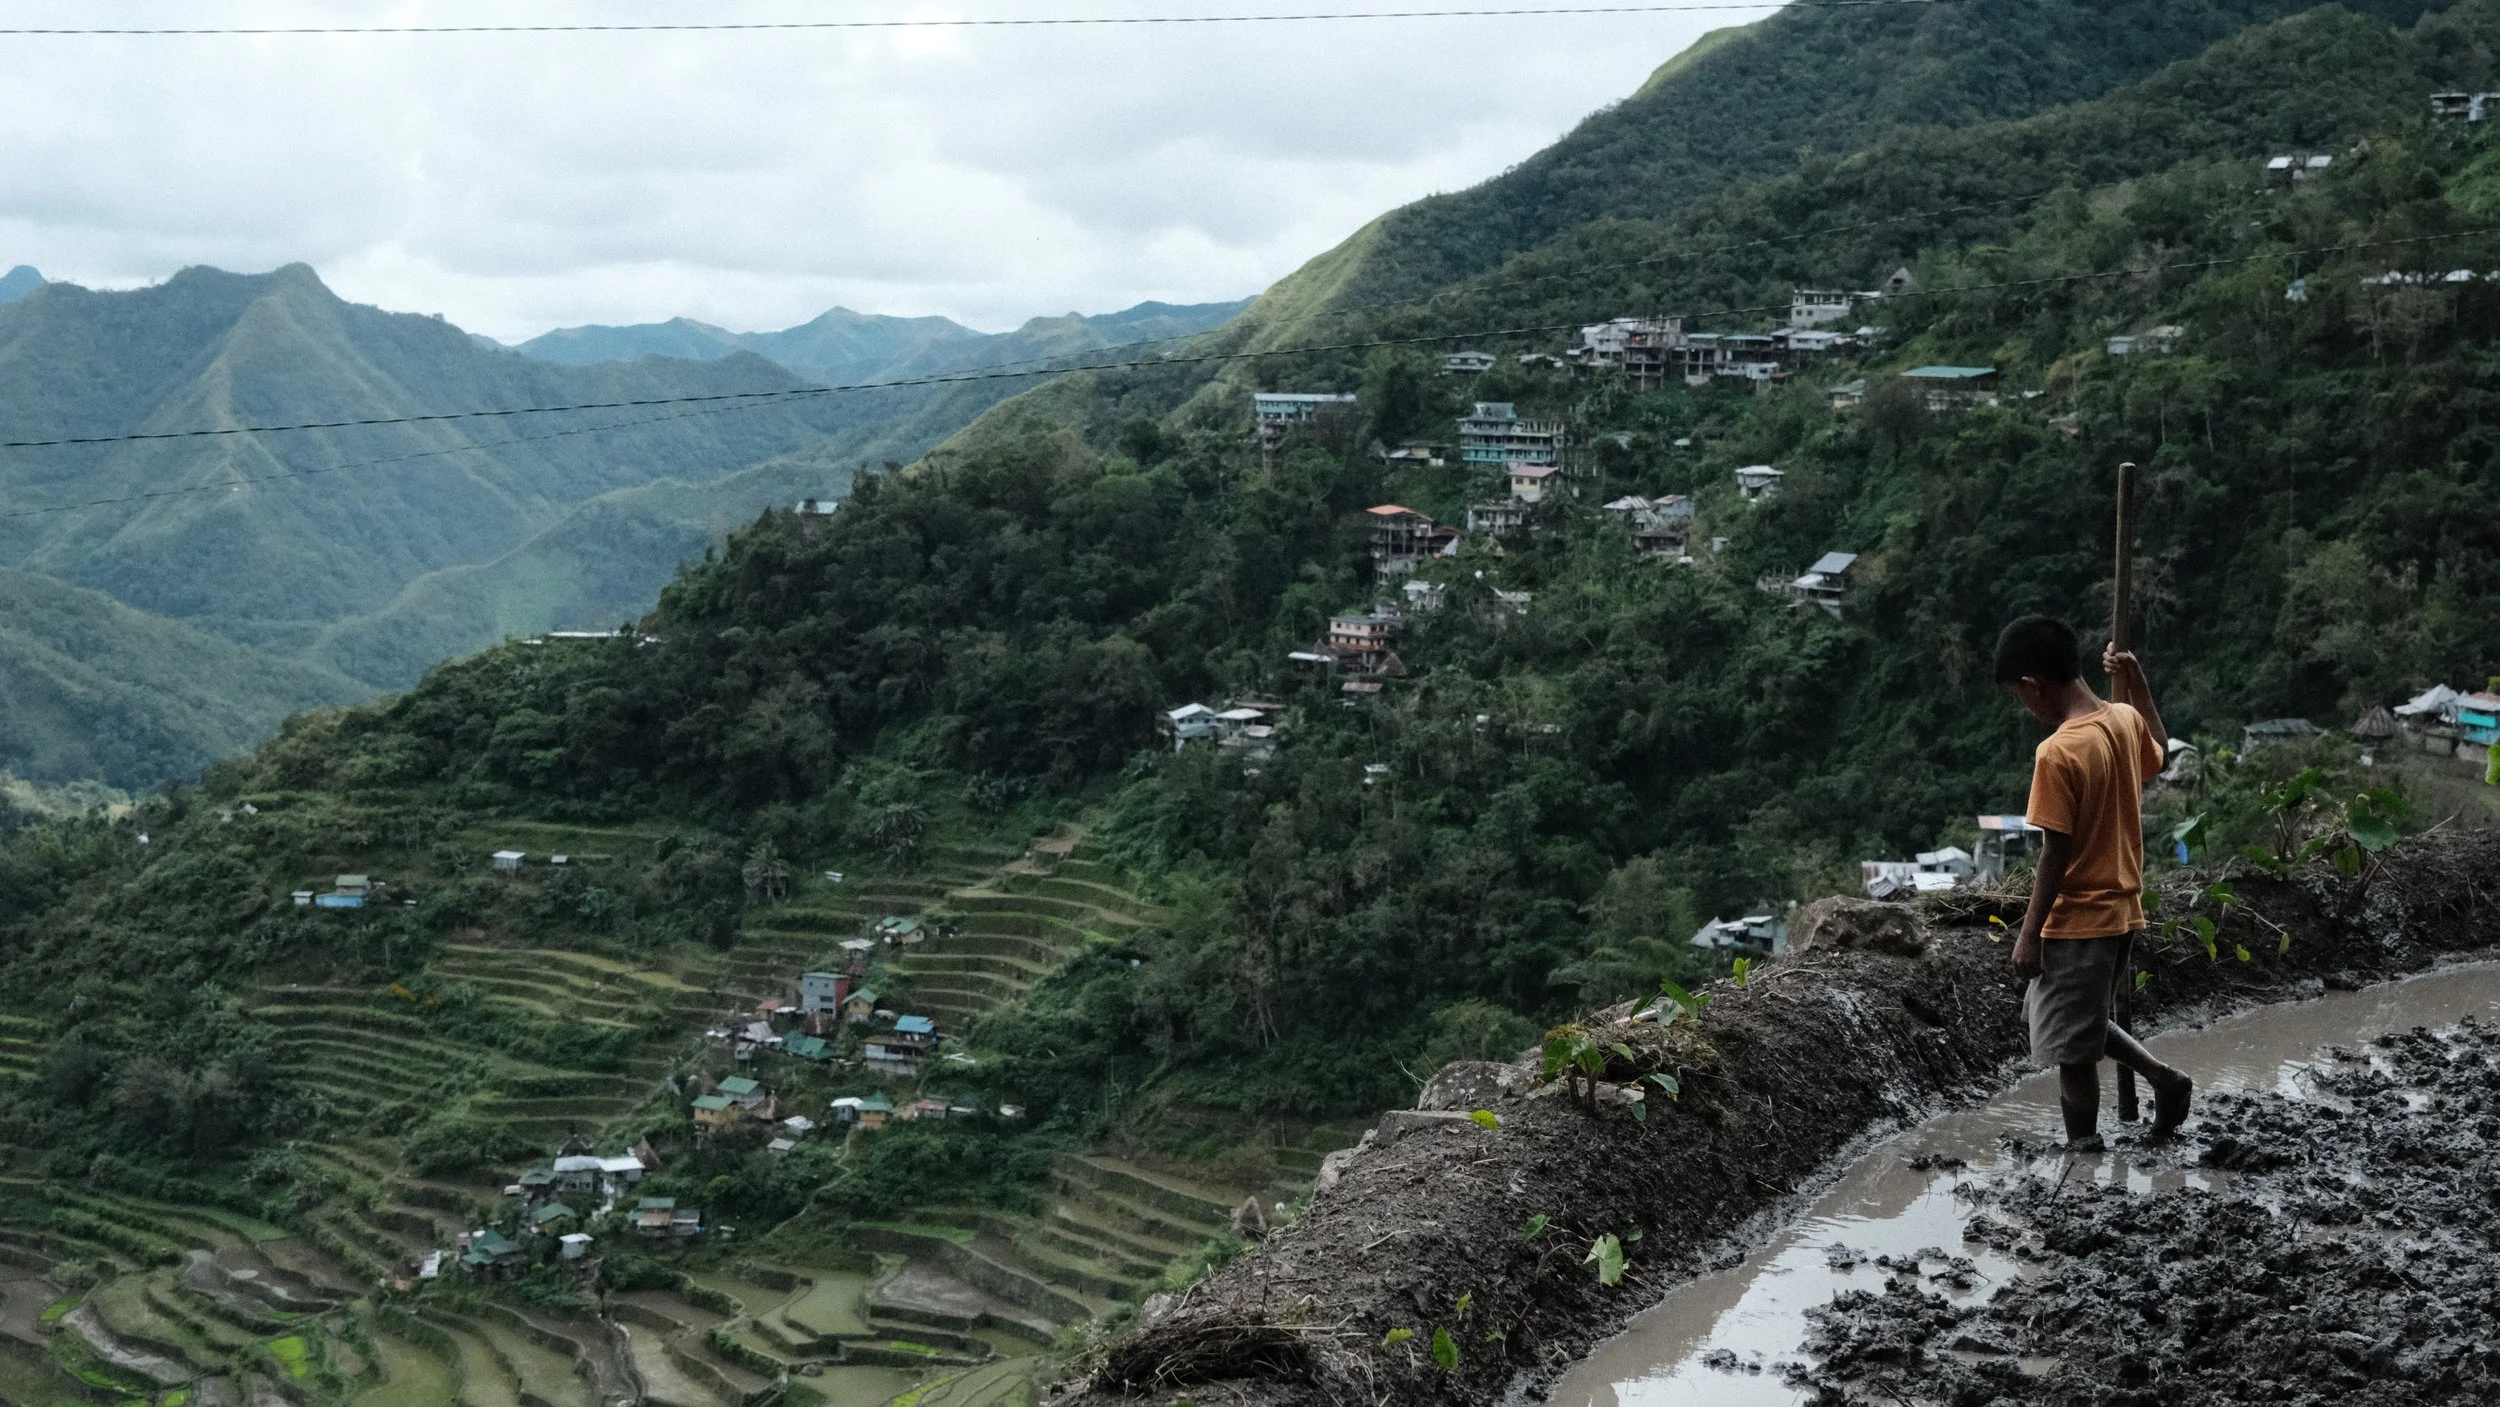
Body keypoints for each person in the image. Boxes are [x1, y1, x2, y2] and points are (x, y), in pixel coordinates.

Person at [1994, 615, 2193, 1149]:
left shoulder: (2058, 752)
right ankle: (2165, 1080)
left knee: (2070, 1052)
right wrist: (2138, 682)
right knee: (2075, 1021)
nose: (2024, 706)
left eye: (2019, 695)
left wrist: (2029, 932)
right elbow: (2158, 753)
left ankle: (2082, 1150)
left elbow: (2054, 851)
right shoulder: (2123, 718)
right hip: (2122, 910)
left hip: (2079, 917)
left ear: (2033, 685)